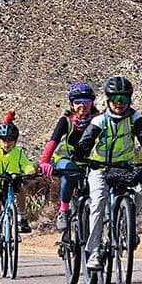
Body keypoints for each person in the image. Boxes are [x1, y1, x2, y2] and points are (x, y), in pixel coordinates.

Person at [73, 76, 142, 271]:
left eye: (124, 99)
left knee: (139, 194)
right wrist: (81, 151)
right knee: (98, 204)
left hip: (124, 167)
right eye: (115, 99)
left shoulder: (135, 118)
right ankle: (95, 251)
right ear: (108, 100)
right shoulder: (100, 120)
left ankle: (127, 228)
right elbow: (87, 140)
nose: (119, 104)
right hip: (100, 168)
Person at [38, 82, 100, 231]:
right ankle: (64, 210)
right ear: (72, 104)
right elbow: (53, 141)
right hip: (65, 160)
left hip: (89, 161)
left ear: (92, 103)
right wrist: (45, 161)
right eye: (77, 102)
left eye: (86, 102)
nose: (82, 106)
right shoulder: (66, 121)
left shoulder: (98, 120)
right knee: (70, 172)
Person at [0, 111, 36, 268]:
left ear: (15, 141)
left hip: (12, 183)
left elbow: (26, 164)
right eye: (4, 140)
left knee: (21, 190)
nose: (7, 143)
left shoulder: (18, 152)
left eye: (10, 140)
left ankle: (21, 217)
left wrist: (30, 169)